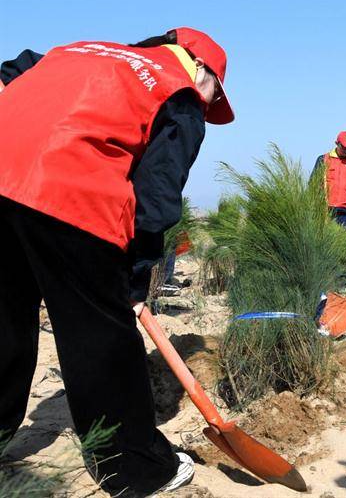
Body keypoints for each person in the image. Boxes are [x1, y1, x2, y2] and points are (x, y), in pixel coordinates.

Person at [0, 27, 234, 497]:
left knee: (3, 320)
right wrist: (134, 277)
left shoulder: (75, 51)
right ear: (201, 70)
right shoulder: (181, 93)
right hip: (70, 194)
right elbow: (158, 197)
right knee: (101, 337)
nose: (208, 106)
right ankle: (138, 469)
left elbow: (10, 73)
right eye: (215, 97)